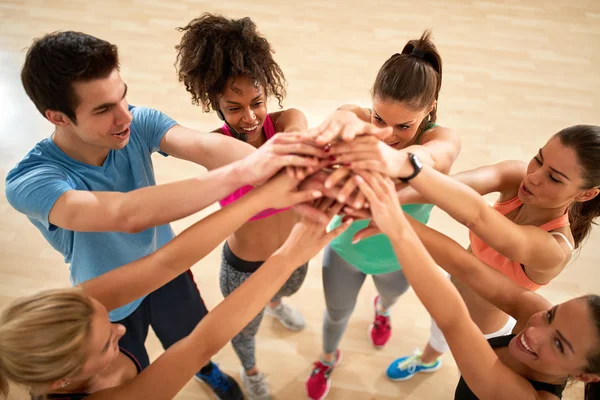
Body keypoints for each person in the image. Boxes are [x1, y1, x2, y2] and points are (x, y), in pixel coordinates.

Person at [5, 30, 322, 400]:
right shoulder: (32, 181)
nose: (125, 116)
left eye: (122, 96)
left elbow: (205, 146)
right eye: (104, 109)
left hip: (170, 267)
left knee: (189, 337)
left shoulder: (137, 121)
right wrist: (253, 174)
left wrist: (302, 163)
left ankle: (207, 373)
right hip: (111, 296)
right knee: (130, 360)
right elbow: (126, 214)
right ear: (57, 116)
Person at [0, 173, 353, 399]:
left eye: (106, 319)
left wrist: (259, 199)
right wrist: (287, 257)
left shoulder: (72, 315)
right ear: (61, 382)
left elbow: (166, 262)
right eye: (107, 342)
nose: (121, 327)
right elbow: (202, 343)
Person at [174, 14, 329, 399]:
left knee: (285, 291)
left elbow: (295, 155)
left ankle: (276, 303)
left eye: (256, 102)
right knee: (244, 331)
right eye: (234, 107)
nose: (249, 117)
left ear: (268, 93)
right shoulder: (214, 150)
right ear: (216, 106)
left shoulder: (291, 120)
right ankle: (252, 371)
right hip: (243, 269)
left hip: (293, 255)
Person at [302, 31, 461, 400]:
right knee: (335, 316)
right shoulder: (356, 118)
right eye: (379, 118)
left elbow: (436, 159)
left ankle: (382, 310)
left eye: (403, 126)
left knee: (389, 298)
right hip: (344, 248)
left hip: (400, 256)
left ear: (431, 109)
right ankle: (327, 358)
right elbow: (341, 116)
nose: (387, 135)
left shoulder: (443, 139)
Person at [345, 170, 600, 400]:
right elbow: (468, 268)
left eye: (559, 344)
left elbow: (454, 320)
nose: (534, 330)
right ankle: (426, 360)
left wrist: (399, 230)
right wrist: (395, 219)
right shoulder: (532, 315)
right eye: (550, 314)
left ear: (585, 377)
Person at [377, 125, 600, 381]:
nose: (534, 177)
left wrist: (387, 205)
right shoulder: (518, 178)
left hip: (484, 331)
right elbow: (451, 187)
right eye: (538, 159)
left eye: (554, 178)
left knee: (471, 379)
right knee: (438, 334)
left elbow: (477, 217)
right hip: (452, 293)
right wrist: (381, 195)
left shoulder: (554, 249)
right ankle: (427, 360)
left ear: (586, 194)